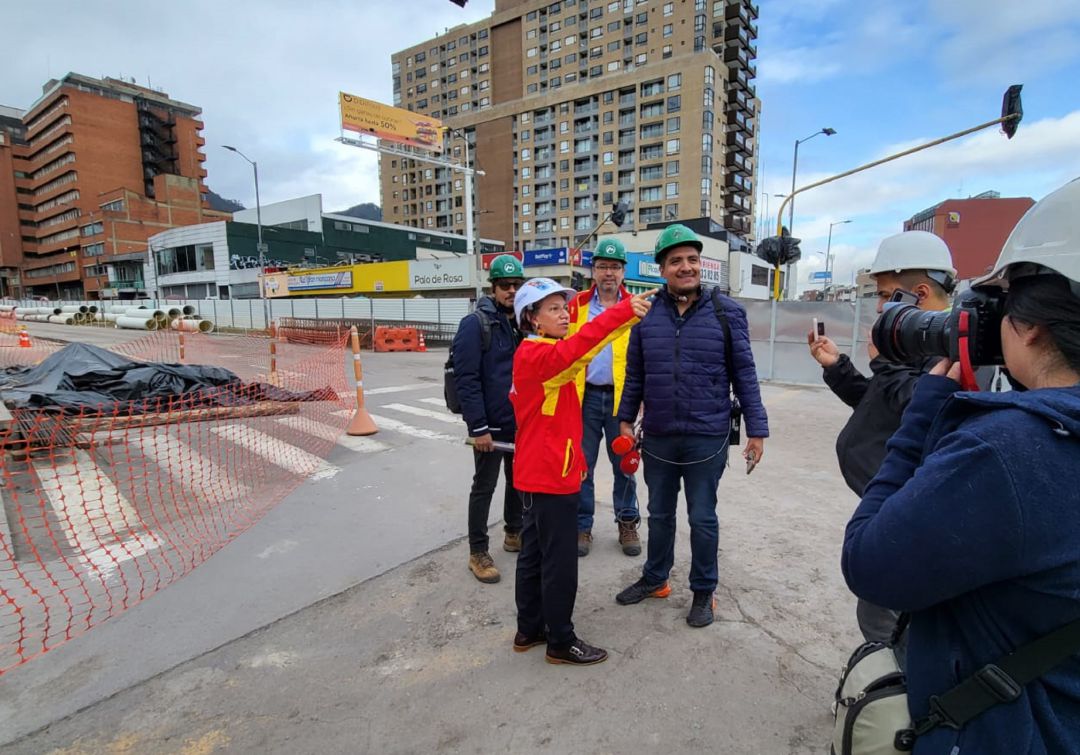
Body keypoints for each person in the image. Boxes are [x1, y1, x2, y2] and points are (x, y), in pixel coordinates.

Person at [843, 178, 1080, 754]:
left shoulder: (1012, 448)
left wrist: (926, 416)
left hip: (1005, 727)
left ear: (1030, 323)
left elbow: (869, 561)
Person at [614, 224, 769, 628]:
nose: (686, 267)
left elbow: (745, 374)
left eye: (693, 260)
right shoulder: (645, 316)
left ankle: (703, 591)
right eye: (677, 261)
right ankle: (656, 578)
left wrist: (757, 429)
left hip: (707, 434)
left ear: (702, 265)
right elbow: (635, 375)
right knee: (659, 513)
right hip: (660, 433)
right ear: (661, 268)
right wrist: (625, 420)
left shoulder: (726, 312)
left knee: (702, 517)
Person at [807, 230, 956, 646]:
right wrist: (838, 367)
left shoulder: (954, 351)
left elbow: (921, 411)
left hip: (913, 511)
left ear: (921, 293)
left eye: (886, 294)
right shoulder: (913, 346)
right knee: (877, 611)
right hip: (888, 500)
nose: (877, 306)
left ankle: (895, 695)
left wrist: (887, 363)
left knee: (884, 618)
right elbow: (879, 406)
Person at [510, 277, 655, 665]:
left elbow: (583, 356)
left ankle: (529, 629)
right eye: (554, 309)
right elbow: (582, 347)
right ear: (532, 318)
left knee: (535, 553)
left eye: (564, 306)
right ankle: (560, 640)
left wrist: (622, 322)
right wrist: (623, 311)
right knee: (559, 562)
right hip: (550, 474)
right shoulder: (541, 356)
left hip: (538, 469)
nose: (564, 314)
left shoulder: (537, 351)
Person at [451, 254, 525, 584]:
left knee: (518, 481)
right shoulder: (475, 324)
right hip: (488, 427)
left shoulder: (522, 323)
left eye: (516, 285)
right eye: (505, 285)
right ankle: (477, 551)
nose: (511, 290)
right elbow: (467, 379)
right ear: (493, 287)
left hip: (517, 422)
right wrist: (477, 427)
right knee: (484, 486)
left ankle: (513, 533)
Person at [566, 237, 641, 557]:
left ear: (624, 272)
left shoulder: (638, 306)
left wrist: (642, 402)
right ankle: (582, 525)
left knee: (625, 464)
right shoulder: (576, 305)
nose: (608, 273)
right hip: (582, 399)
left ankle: (627, 523)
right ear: (592, 271)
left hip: (622, 401)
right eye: (602, 267)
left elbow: (647, 355)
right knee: (582, 465)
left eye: (614, 267)